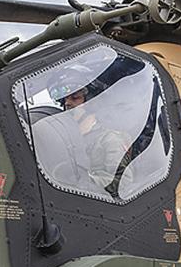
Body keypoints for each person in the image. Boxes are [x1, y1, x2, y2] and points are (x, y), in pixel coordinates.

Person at [48, 64, 133, 192]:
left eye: (75, 97)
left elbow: (124, 182)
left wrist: (86, 181)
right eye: (64, 100)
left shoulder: (109, 139)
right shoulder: (65, 141)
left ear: (91, 101)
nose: (67, 104)